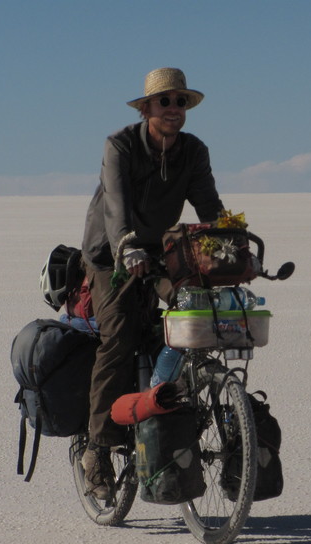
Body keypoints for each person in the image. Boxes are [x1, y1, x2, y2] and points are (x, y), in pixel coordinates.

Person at [80, 67, 225, 500]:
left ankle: (171, 409)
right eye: (165, 101)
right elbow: (116, 205)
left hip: (159, 251)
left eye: (181, 101)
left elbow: (209, 207)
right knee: (120, 336)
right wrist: (126, 246)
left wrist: (228, 245)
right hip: (110, 254)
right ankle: (97, 450)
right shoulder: (120, 145)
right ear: (146, 108)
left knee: (193, 312)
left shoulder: (193, 151)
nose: (173, 108)